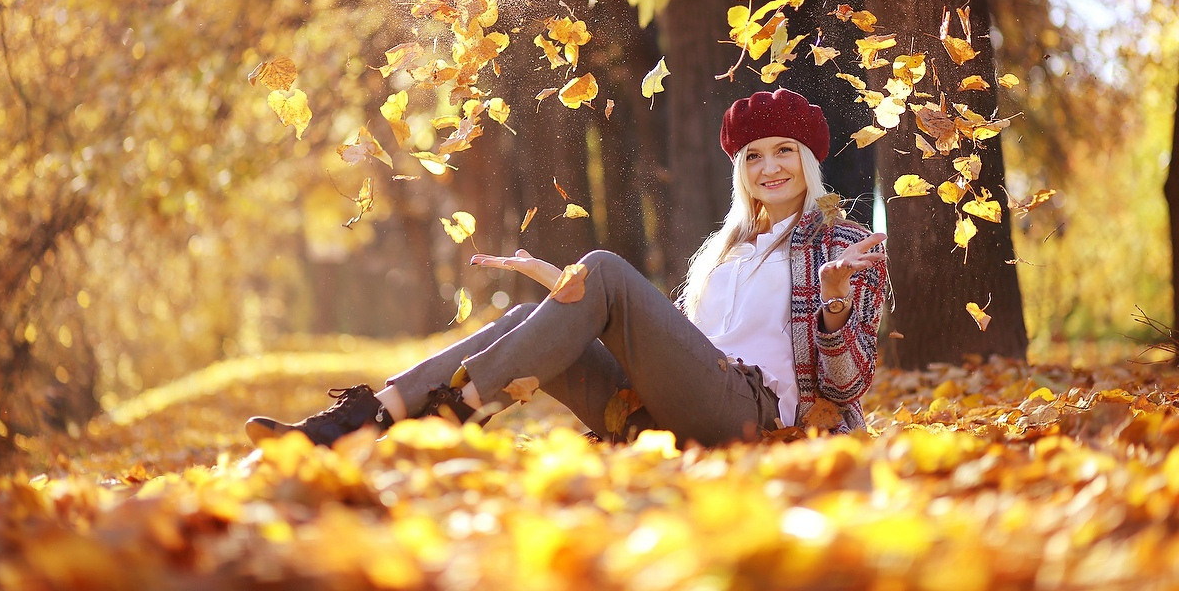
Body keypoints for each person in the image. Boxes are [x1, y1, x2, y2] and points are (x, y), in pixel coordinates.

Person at [245, 88, 887, 448]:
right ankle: (355, 421)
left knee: (603, 266)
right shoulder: (724, 252)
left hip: (757, 416)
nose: (769, 167)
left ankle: (455, 409)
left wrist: (832, 309)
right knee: (534, 309)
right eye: (753, 156)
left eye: (784, 152)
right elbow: (678, 348)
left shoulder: (844, 244)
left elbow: (847, 387)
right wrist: (567, 301)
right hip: (671, 410)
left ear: (808, 162)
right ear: (739, 170)